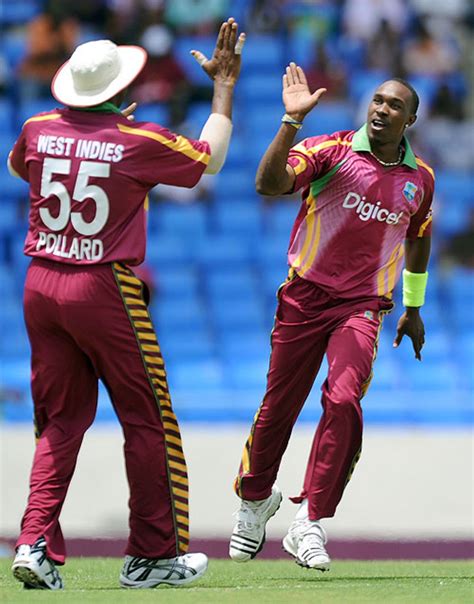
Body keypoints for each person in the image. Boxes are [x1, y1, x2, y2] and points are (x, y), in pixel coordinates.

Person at [8, 18, 245, 590]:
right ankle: (153, 555)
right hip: (102, 285)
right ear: (122, 90)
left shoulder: (37, 127)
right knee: (148, 418)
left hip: (40, 282)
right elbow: (208, 160)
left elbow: (23, 168)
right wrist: (223, 87)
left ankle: (32, 542)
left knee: (60, 422)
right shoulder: (137, 140)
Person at [229, 63, 434, 571]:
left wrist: (413, 305)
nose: (382, 110)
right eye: (378, 101)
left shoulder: (419, 180)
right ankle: (255, 500)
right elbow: (268, 184)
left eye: (394, 106)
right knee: (279, 406)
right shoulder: (331, 149)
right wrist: (290, 121)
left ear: (410, 119)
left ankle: (310, 522)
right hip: (304, 296)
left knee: (343, 400)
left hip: (362, 307)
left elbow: (419, 237)